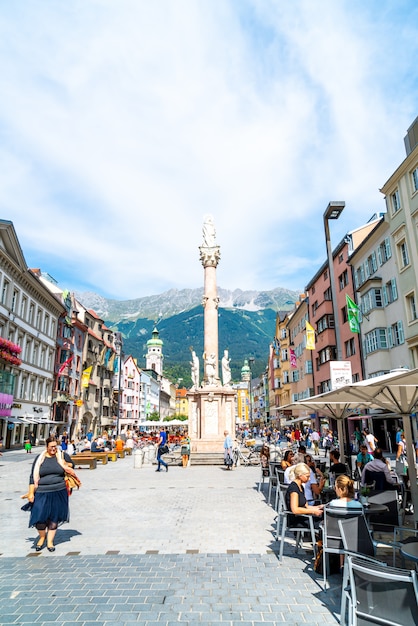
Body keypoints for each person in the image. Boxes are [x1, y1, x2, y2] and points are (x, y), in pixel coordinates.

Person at [21, 436, 80, 552]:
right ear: (46, 447)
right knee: (39, 518)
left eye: (55, 446)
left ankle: (50, 542)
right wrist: (31, 493)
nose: (54, 449)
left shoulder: (62, 455)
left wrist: (66, 464)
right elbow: (32, 477)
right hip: (42, 491)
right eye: (51, 447)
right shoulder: (40, 458)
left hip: (59, 491)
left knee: (54, 518)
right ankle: (42, 537)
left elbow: (72, 465)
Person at [285, 463, 323, 528]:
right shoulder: (294, 489)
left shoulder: (301, 486)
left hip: (302, 516)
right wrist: (313, 511)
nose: (309, 479)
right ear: (300, 476)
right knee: (322, 524)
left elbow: (306, 506)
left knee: (324, 519)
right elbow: (295, 510)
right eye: (307, 476)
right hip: (297, 520)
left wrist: (319, 507)